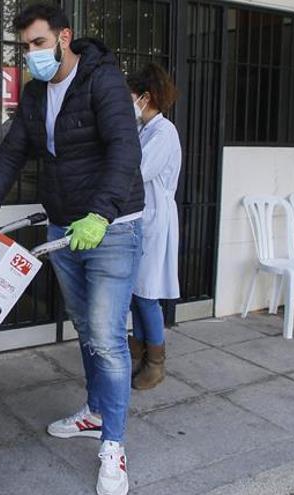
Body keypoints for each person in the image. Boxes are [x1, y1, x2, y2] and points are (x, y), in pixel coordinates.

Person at [0, 5, 143, 495]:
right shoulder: (38, 93)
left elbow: (125, 149)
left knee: (106, 337)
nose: (31, 54)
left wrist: (102, 213)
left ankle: (114, 445)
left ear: (65, 37)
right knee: (85, 329)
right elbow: (14, 149)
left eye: (38, 43)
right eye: (25, 47)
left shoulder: (102, 81)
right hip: (66, 227)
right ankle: (95, 412)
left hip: (113, 227)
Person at [126, 64, 181, 391]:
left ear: (145, 97)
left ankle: (156, 363)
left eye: (130, 97)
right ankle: (141, 350)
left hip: (154, 218)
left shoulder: (163, 132)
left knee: (146, 294)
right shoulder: (143, 129)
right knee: (136, 291)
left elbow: (138, 170)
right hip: (140, 217)